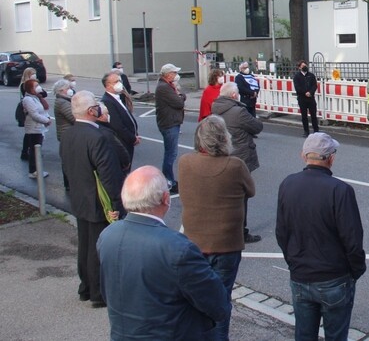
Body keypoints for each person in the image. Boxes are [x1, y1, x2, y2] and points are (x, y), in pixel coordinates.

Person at [97, 166, 230, 339]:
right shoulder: (178, 248)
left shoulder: (107, 235)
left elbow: (108, 292)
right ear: (166, 199)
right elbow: (218, 305)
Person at [276, 132, 366, 341]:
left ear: (303, 155)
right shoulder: (340, 190)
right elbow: (352, 239)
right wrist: (355, 270)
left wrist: (293, 262)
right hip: (333, 276)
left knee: (304, 334)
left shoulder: (288, 184)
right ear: (331, 158)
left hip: (301, 274)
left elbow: (282, 231)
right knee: (336, 335)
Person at [178, 116, 255, 340]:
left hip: (194, 243)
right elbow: (251, 191)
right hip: (227, 244)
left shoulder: (185, 162)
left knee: (195, 298)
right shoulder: (235, 165)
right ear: (224, 138)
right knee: (221, 300)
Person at [61, 90, 125, 308]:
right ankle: (98, 293)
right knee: (99, 247)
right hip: (99, 201)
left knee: (85, 244)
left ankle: (86, 287)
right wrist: (117, 204)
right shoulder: (97, 137)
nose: (99, 107)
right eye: (96, 105)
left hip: (79, 197)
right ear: (91, 111)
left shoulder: (68, 134)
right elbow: (109, 175)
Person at [212, 82, 264, 244]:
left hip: (222, 155)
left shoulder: (215, 108)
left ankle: (224, 227)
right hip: (240, 156)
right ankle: (241, 231)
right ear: (234, 95)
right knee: (242, 195)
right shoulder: (239, 112)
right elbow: (256, 127)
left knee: (225, 194)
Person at [155, 63, 186, 194]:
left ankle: (168, 179)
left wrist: (180, 96)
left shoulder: (168, 85)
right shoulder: (164, 88)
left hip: (171, 122)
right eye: (174, 73)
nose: (176, 75)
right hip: (169, 123)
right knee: (171, 154)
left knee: (171, 153)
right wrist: (181, 96)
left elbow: (180, 97)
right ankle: (168, 180)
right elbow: (179, 102)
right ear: (167, 75)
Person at [101, 71, 139, 174]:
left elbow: (127, 117)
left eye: (120, 81)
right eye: (116, 81)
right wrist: (132, 138)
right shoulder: (108, 101)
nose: (120, 83)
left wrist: (135, 134)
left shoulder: (117, 98)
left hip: (128, 141)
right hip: (122, 142)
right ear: (108, 85)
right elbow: (118, 125)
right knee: (123, 171)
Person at [22, 79, 52, 179]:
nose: (38, 87)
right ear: (31, 88)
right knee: (35, 150)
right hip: (34, 128)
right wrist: (46, 121)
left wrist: (40, 96)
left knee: (36, 149)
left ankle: (36, 169)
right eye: (36, 86)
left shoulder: (35, 97)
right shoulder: (28, 99)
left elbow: (44, 108)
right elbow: (34, 114)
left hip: (39, 127)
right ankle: (33, 171)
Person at [19, 67, 45, 161]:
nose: (34, 75)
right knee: (30, 133)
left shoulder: (35, 84)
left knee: (31, 133)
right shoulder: (24, 85)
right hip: (28, 111)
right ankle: (27, 152)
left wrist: (38, 90)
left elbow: (44, 94)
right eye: (32, 74)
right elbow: (29, 93)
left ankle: (30, 152)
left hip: (35, 107)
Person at [53, 79, 75, 190]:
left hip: (67, 133)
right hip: (67, 134)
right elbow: (73, 117)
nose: (71, 90)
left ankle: (69, 182)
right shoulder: (62, 102)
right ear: (62, 90)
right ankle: (69, 183)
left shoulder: (64, 100)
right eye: (68, 88)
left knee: (69, 159)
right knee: (68, 160)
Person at [293, 59, 319, 137]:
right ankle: (306, 131)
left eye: (305, 65)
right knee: (304, 116)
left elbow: (314, 85)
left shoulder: (311, 75)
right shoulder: (297, 76)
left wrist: (310, 92)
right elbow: (297, 87)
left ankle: (316, 130)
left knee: (313, 115)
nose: (305, 67)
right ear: (299, 67)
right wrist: (305, 92)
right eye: (303, 66)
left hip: (311, 98)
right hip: (302, 98)